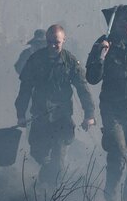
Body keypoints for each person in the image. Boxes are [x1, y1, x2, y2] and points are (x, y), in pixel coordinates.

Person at [15, 24, 96, 184]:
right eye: (50, 42)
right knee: (38, 153)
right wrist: (20, 114)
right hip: (39, 116)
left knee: (58, 158)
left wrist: (89, 115)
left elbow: (82, 89)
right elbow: (24, 89)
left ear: (63, 40)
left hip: (62, 118)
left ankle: (52, 195)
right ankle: (46, 179)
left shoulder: (70, 61)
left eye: (57, 42)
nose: (53, 46)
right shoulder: (35, 59)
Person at [85, 4, 127, 201]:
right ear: (115, 25)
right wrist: (101, 56)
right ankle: (110, 191)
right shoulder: (103, 43)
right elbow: (92, 78)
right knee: (119, 153)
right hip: (112, 108)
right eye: (124, 27)